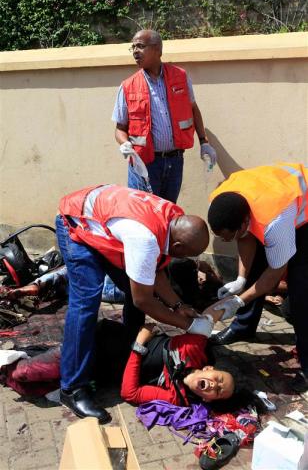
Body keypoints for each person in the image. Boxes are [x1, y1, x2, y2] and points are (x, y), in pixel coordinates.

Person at [56, 183, 212, 423]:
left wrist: (178, 305)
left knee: (136, 284)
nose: (184, 259)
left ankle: (132, 344)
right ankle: (72, 388)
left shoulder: (173, 218)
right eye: (185, 254)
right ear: (179, 246)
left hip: (104, 226)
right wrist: (188, 326)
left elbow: (155, 269)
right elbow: (144, 301)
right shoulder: (145, 238)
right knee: (86, 303)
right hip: (77, 224)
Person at [207, 162, 308, 392]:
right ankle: (244, 326)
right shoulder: (222, 199)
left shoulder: (275, 223)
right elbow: (243, 237)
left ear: (244, 222)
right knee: (254, 268)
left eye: (228, 236)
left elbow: (272, 276)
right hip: (274, 202)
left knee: (302, 292)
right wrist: (241, 279)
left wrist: (239, 300)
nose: (225, 241)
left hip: (303, 214)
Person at [112, 29, 217, 203]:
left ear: (158, 50)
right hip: (144, 163)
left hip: (175, 161)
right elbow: (119, 129)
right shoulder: (127, 86)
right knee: (144, 215)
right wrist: (125, 144)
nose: (135, 52)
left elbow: (193, 109)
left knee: (169, 211)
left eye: (140, 46)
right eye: (133, 48)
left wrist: (204, 142)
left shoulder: (180, 77)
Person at [121, 319, 235, 406]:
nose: (214, 385)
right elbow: (206, 320)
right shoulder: (196, 351)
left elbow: (130, 394)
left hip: (112, 358)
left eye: (219, 391)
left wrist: (138, 345)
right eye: (219, 379)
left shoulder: (176, 396)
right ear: (209, 368)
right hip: (120, 332)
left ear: (207, 399)